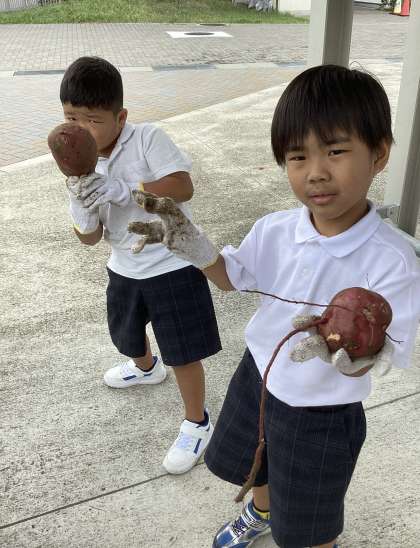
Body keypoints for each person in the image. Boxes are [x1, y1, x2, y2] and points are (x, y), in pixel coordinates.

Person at [127, 64, 420, 548]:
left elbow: (389, 349)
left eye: (336, 151)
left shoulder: (393, 261)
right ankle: (260, 510)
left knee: (308, 523)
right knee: (254, 463)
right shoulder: (275, 230)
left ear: (380, 154)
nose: (316, 172)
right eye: (297, 156)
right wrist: (195, 247)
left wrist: (356, 358)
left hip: (322, 410)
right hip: (258, 374)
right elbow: (232, 278)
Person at [60, 56, 221, 475]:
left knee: (183, 352)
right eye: (71, 118)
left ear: (120, 117)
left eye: (92, 120)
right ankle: (146, 368)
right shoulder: (79, 166)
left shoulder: (148, 138)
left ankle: (197, 421)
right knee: (127, 333)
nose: (81, 129)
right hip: (124, 266)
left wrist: (127, 190)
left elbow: (183, 186)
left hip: (172, 262)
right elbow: (90, 238)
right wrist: (79, 203)